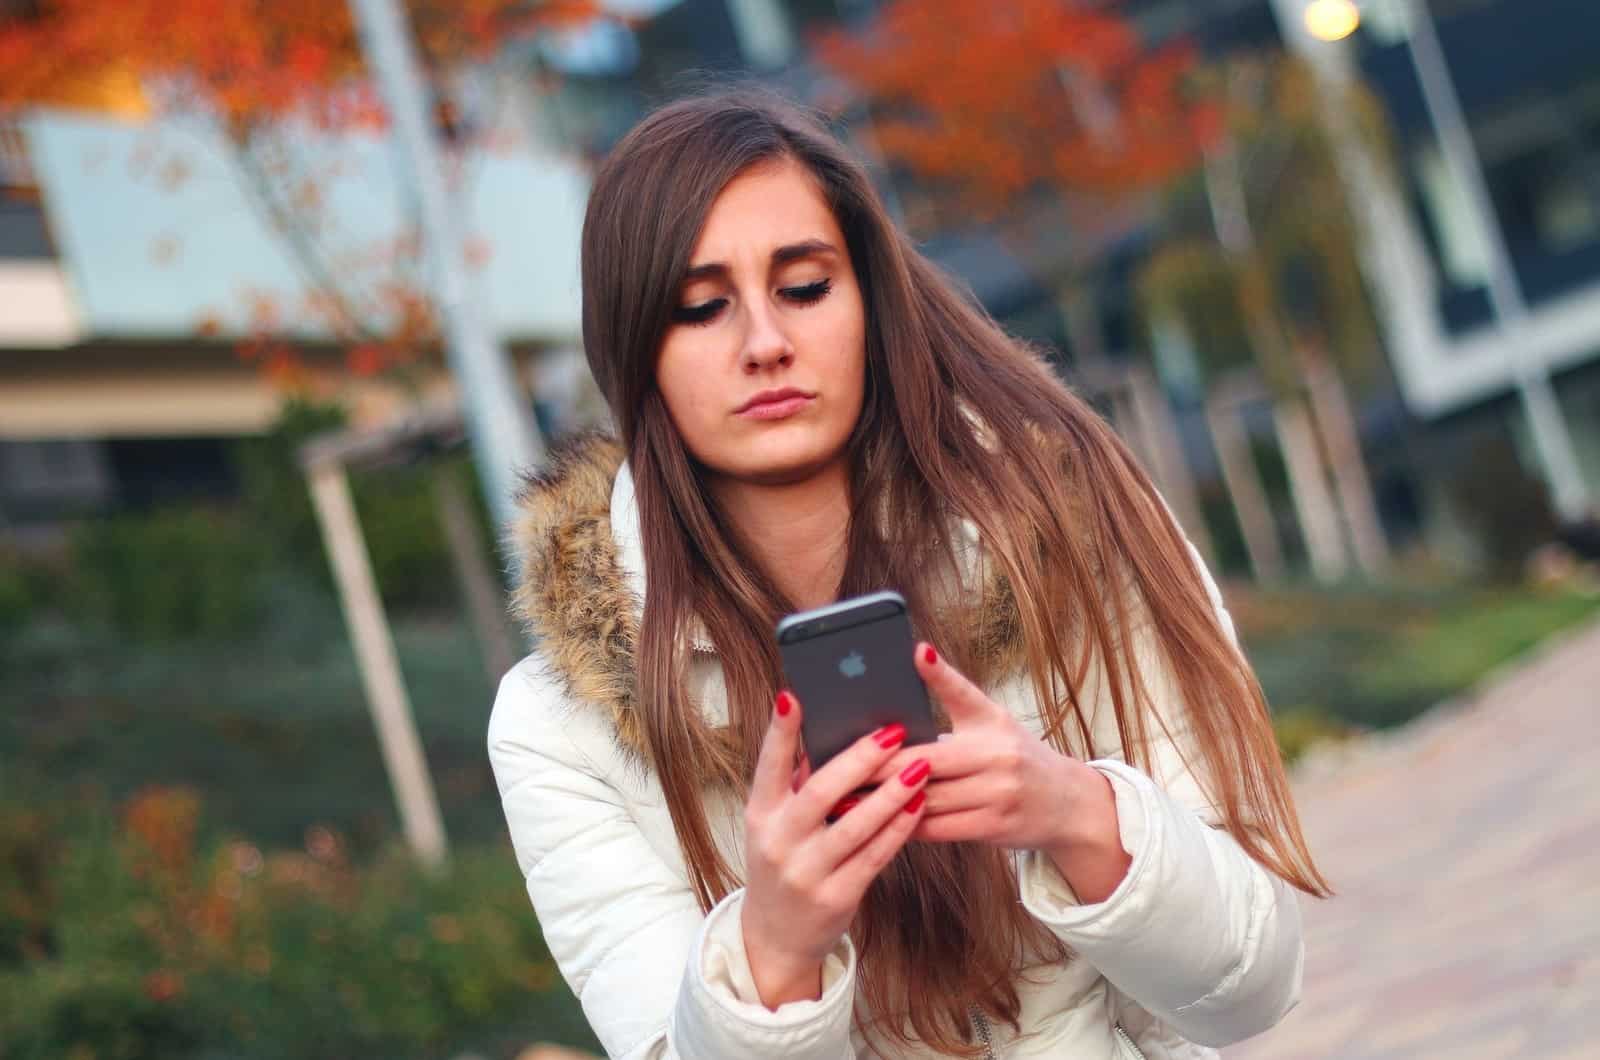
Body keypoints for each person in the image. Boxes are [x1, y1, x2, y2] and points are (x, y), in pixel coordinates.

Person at [489, 90, 1327, 1060]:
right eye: (702, 306)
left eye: (803, 286)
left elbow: (1252, 988)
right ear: (635, 349)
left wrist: (1076, 814)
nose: (765, 341)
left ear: (868, 303)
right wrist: (771, 952)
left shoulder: (1066, 530)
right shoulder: (561, 729)